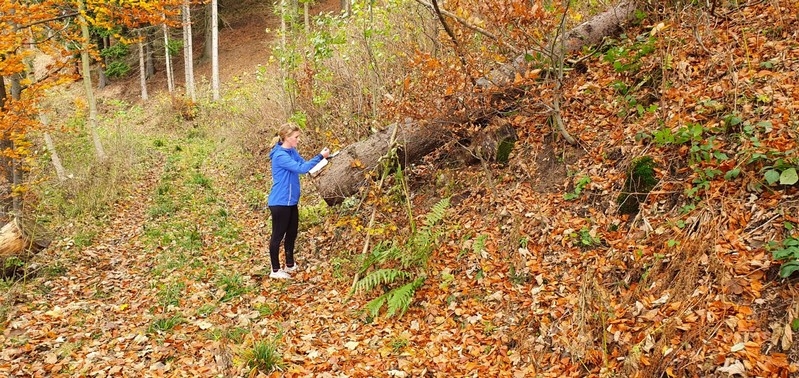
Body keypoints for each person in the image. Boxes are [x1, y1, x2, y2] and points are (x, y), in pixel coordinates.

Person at [266, 123, 330, 279]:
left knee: (292, 233)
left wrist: (325, 159)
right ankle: (275, 270)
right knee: (277, 236)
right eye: (296, 137)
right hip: (280, 202)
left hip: (291, 201)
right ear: (287, 137)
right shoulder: (280, 156)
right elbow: (301, 169)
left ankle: (289, 264)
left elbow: (304, 164)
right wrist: (320, 156)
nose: (298, 140)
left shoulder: (291, 151)